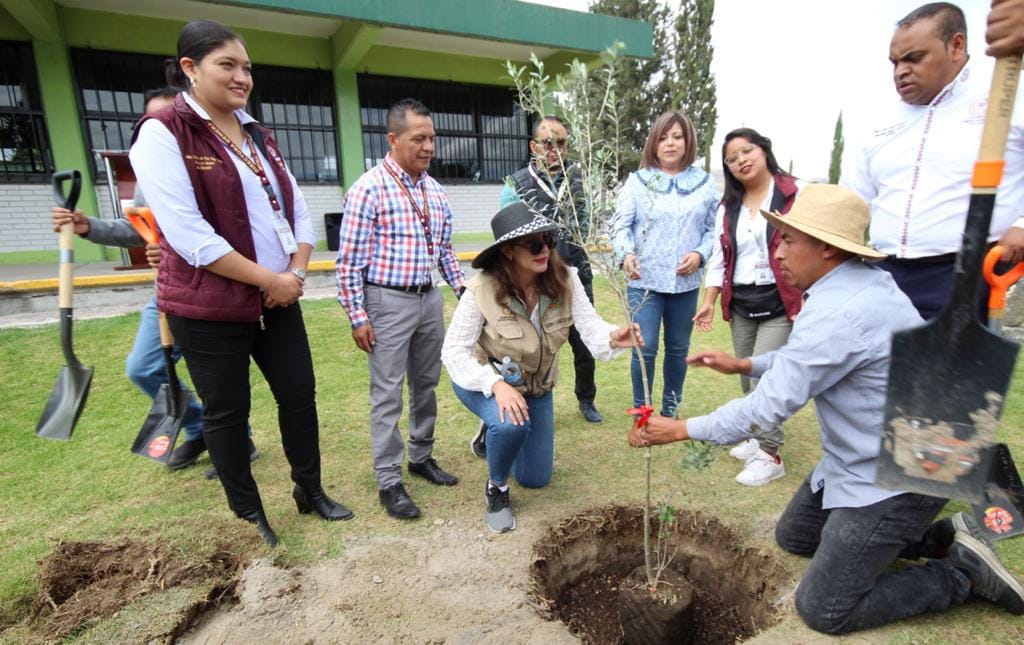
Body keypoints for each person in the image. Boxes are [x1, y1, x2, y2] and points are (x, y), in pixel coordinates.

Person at [629, 183, 1024, 634]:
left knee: (826, 608)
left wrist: (681, 428)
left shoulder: (841, 310)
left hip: (908, 470)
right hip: (882, 451)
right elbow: (814, 359)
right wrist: (745, 363)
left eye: (791, 240)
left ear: (829, 250)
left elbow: (766, 410)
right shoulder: (857, 284)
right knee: (795, 536)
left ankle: (963, 576)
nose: (778, 252)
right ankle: (941, 539)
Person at [130, 19, 352, 547]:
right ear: (190, 68)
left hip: (278, 298)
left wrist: (294, 274)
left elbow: (295, 209)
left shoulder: (256, 132)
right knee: (229, 413)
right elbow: (189, 236)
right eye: (227, 65)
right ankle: (249, 512)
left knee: (299, 396)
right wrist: (269, 280)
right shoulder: (165, 132)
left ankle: (309, 489)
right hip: (209, 308)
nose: (241, 77)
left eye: (247, 67)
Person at [51, 87, 258, 473]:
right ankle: (198, 428)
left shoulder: (216, 167)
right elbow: (140, 229)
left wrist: (178, 251)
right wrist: (86, 226)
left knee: (213, 375)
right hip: (169, 293)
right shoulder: (152, 167)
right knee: (143, 367)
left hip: (215, 292)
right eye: (151, 123)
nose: (162, 128)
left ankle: (234, 438)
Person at [441, 203, 639, 533]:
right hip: (483, 379)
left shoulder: (566, 279)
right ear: (507, 251)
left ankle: (494, 435)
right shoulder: (480, 290)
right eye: (534, 244)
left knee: (535, 479)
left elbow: (590, 328)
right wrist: (495, 386)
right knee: (509, 427)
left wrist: (615, 337)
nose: (545, 249)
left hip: (536, 387)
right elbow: (453, 353)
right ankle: (497, 487)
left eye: (548, 239)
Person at [844, 2, 1024, 320]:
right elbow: (851, 201)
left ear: (956, 46)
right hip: (884, 275)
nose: (900, 71)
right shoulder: (878, 124)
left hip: (972, 275)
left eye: (914, 58)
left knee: (957, 370)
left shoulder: (1006, 96)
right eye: (895, 62)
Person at [336, 98, 466, 520]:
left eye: (431, 138)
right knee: (387, 392)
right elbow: (349, 262)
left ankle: (420, 456)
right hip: (386, 301)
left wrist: (462, 289)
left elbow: (443, 250)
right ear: (393, 140)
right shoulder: (367, 189)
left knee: (426, 383)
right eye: (419, 138)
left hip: (429, 300)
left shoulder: (434, 190)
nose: (428, 147)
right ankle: (389, 479)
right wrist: (358, 316)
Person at [693, 128, 803, 487]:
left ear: (764, 150)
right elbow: (719, 260)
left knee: (764, 378)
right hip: (742, 302)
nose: (741, 160)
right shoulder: (729, 206)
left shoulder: (792, 193)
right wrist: (708, 302)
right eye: (731, 158)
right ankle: (756, 434)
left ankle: (771, 454)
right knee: (745, 378)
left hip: (779, 301)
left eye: (746, 151)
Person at [610, 110, 718, 418]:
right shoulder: (637, 182)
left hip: (685, 284)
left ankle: (671, 412)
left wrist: (699, 254)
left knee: (678, 349)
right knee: (644, 348)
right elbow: (619, 226)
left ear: (688, 142)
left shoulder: (705, 184)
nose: (670, 143)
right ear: (653, 143)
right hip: (644, 282)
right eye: (663, 137)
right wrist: (626, 255)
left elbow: (714, 230)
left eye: (677, 136)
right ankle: (642, 412)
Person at [500, 115, 603, 427]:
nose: (555, 149)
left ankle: (587, 398)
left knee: (583, 342)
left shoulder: (577, 182)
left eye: (561, 143)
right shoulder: (514, 184)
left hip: (576, 275)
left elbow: (587, 226)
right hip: (535, 280)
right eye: (548, 143)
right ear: (534, 146)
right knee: (533, 345)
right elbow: (508, 235)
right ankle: (526, 400)